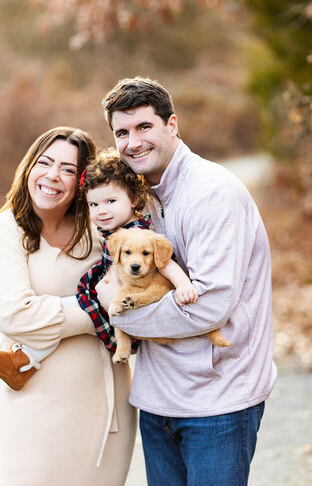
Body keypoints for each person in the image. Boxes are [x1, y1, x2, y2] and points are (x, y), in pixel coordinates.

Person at [96, 77, 277, 486]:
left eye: (144, 127)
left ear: (172, 125)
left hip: (217, 403)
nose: (133, 142)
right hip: (159, 399)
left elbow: (210, 305)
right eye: (122, 132)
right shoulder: (142, 195)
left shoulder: (211, 193)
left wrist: (118, 312)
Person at [0, 128, 137, 486]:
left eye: (67, 169)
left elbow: (136, 286)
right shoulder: (2, 231)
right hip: (34, 408)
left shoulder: (100, 229)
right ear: (29, 166)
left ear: (82, 180)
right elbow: (15, 314)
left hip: (108, 409)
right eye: (45, 162)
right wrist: (99, 310)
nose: (53, 176)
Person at [0, 148, 198, 387]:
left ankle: (22, 359)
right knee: (82, 300)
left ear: (134, 199)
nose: (102, 211)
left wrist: (183, 284)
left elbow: (165, 264)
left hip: (130, 294)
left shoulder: (137, 232)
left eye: (110, 201)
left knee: (83, 300)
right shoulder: (105, 227)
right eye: (94, 204)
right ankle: (23, 360)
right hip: (113, 293)